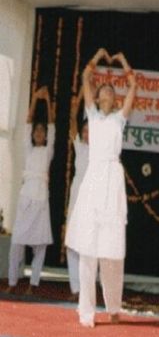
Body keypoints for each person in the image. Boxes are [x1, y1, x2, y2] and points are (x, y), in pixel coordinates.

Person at [65, 48, 137, 327]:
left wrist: (121, 61)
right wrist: (97, 56)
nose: (107, 89)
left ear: (115, 99)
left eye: (110, 88)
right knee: (87, 248)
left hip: (112, 182)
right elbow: (85, 75)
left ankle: (114, 306)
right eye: (103, 87)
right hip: (94, 179)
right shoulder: (92, 116)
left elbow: (133, 85)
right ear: (96, 97)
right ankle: (86, 311)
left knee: (111, 251)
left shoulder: (119, 118)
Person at [7, 87, 55, 295]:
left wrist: (48, 102)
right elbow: (27, 122)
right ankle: (12, 281)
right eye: (36, 131)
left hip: (41, 199)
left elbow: (53, 125)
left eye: (41, 131)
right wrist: (35, 99)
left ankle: (33, 284)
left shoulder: (48, 150)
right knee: (17, 241)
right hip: (27, 196)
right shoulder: (29, 148)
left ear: (45, 136)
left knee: (40, 245)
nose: (38, 133)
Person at [65, 90, 89, 300]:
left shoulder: (99, 150)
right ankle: (76, 288)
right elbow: (72, 127)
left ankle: (88, 288)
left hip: (91, 196)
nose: (87, 133)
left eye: (90, 130)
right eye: (85, 130)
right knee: (72, 241)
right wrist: (75, 107)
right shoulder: (80, 147)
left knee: (89, 243)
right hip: (76, 193)